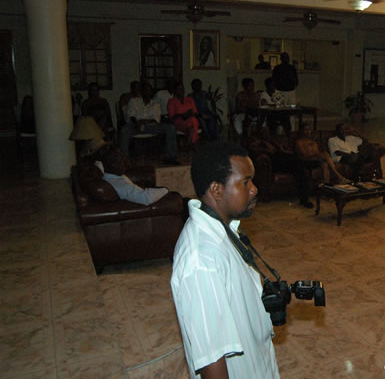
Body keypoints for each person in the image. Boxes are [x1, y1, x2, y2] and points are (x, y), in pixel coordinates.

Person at [171, 142, 281, 379]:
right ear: (217, 190)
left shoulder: (224, 229)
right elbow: (212, 361)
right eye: (245, 182)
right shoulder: (201, 261)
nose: (254, 189)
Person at [119, 81, 179, 165]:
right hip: (135, 125)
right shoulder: (133, 101)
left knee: (170, 127)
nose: (147, 92)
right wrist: (137, 123)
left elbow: (156, 119)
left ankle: (171, 157)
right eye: (145, 90)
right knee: (124, 131)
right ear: (142, 91)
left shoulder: (155, 104)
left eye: (149, 90)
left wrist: (143, 122)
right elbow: (131, 115)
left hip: (150, 126)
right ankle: (124, 160)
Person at [96, 145, 169, 206]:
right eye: (116, 161)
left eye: (122, 158)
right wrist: (165, 190)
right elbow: (146, 198)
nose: (123, 163)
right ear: (106, 165)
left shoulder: (108, 175)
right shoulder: (120, 185)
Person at [168, 82, 201, 147]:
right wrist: (182, 115)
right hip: (179, 122)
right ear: (175, 91)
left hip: (190, 120)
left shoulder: (189, 99)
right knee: (193, 123)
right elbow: (172, 117)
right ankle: (192, 143)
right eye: (179, 89)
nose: (182, 91)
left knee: (193, 120)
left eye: (183, 89)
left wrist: (191, 113)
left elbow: (196, 113)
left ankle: (188, 145)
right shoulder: (172, 101)